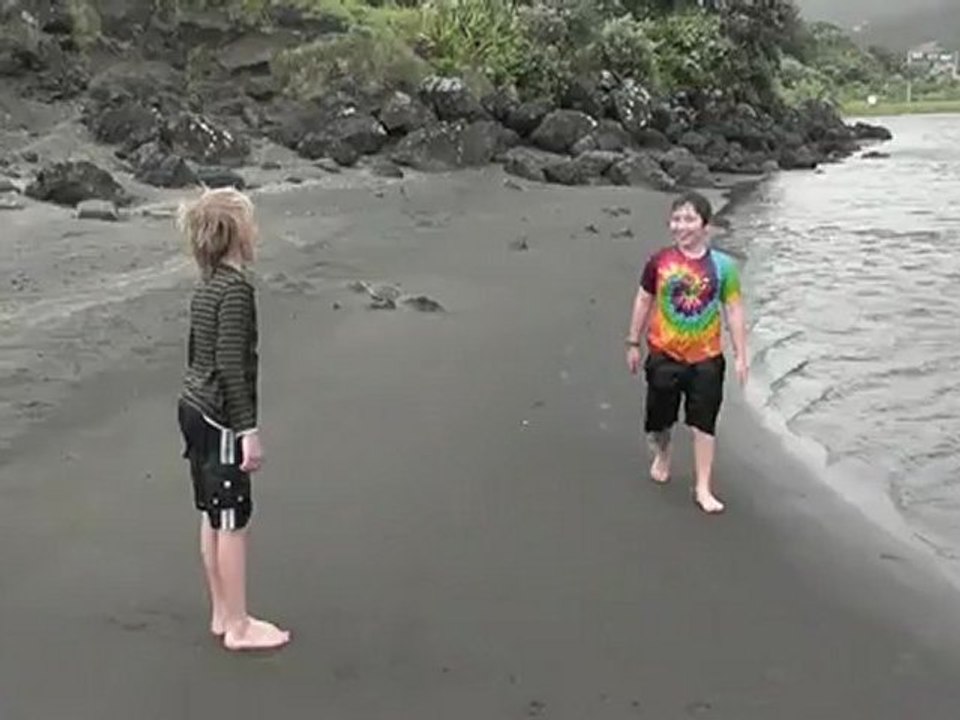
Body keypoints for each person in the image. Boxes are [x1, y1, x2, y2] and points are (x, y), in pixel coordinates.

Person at [175, 187, 291, 650]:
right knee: (233, 522)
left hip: (192, 406)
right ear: (239, 235)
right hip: (220, 415)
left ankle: (223, 612)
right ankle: (240, 626)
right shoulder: (236, 290)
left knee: (211, 512)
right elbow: (229, 363)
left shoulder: (206, 288)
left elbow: (195, 353)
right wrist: (248, 431)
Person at [625, 191, 748, 514]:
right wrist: (632, 343)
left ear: (705, 225)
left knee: (703, 424)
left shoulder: (724, 267)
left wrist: (741, 354)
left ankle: (703, 487)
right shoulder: (659, 262)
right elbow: (643, 300)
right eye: (677, 218)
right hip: (664, 354)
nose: (682, 225)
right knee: (659, 421)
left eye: (690, 218)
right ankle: (663, 455)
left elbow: (734, 310)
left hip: (706, 358)